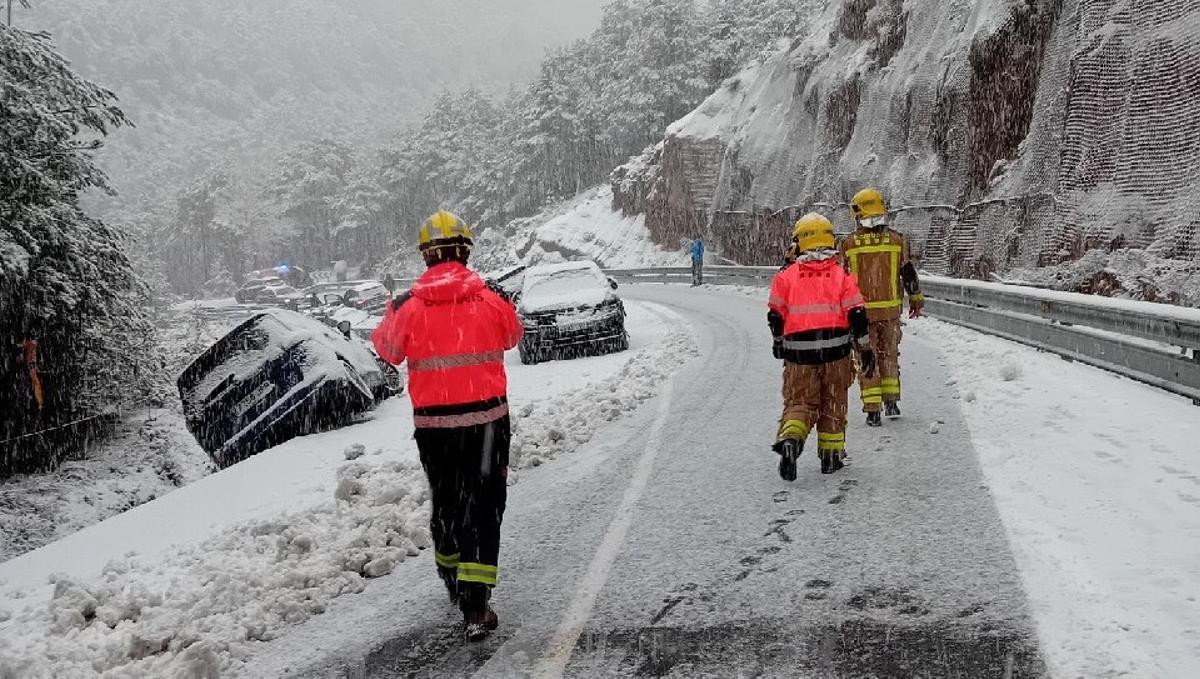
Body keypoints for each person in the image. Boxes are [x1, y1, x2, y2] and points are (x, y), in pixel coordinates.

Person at [371, 210, 523, 641]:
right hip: (488, 422)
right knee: (485, 504)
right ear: (466, 251)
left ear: (425, 256)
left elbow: (388, 350)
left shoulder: (407, 306)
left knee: (449, 500)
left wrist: (393, 313)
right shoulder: (489, 298)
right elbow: (512, 336)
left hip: (435, 428)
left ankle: (451, 568)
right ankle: (476, 606)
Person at [769, 213, 875, 478]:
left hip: (798, 355)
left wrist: (779, 342)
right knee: (833, 403)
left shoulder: (786, 277)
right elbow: (857, 315)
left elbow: (774, 315)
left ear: (799, 242)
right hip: (836, 353)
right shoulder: (841, 275)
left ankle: (792, 439)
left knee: (799, 402)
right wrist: (865, 348)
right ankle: (830, 457)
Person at [838, 188, 924, 427]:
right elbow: (908, 274)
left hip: (860, 316)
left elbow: (841, 281)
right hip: (890, 313)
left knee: (866, 358)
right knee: (889, 357)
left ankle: (873, 409)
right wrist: (915, 299)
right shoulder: (896, 240)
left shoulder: (848, 244)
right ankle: (891, 401)